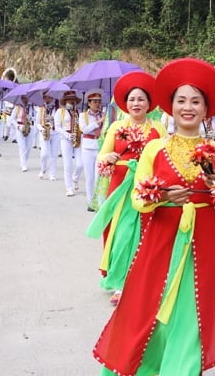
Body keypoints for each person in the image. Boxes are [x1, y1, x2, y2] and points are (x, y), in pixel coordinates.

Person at [93, 57, 215, 375]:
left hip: (203, 233)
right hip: (161, 231)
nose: (188, 107)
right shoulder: (155, 149)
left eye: (196, 101)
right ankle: (144, 364)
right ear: (171, 106)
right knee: (149, 301)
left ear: (206, 109)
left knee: (192, 304)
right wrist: (161, 196)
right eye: (181, 101)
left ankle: (182, 368)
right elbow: (137, 200)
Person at [88, 71, 165, 305]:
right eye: (132, 99)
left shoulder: (159, 128)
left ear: (149, 104)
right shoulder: (116, 127)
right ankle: (121, 282)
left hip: (146, 188)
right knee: (121, 234)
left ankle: (143, 279)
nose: (136, 103)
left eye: (141, 99)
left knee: (146, 234)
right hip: (120, 187)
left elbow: (164, 157)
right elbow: (101, 157)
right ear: (125, 103)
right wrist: (108, 156)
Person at [78, 89, 105, 211]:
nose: (97, 104)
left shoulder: (104, 114)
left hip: (100, 146)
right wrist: (98, 123)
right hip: (88, 147)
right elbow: (84, 130)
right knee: (89, 177)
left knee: (99, 175)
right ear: (88, 103)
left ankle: (98, 201)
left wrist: (104, 121)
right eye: (94, 102)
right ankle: (90, 201)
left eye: (99, 101)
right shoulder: (83, 115)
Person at [53, 90, 84, 197]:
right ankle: (69, 188)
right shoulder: (59, 112)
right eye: (70, 99)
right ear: (65, 100)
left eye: (74, 99)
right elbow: (57, 127)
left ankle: (75, 178)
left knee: (80, 164)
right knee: (68, 164)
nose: (72, 101)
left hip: (77, 138)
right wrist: (66, 135)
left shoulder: (78, 112)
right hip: (65, 139)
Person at [36, 93, 59, 181]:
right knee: (44, 154)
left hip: (55, 132)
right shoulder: (41, 109)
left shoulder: (57, 108)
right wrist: (42, 129)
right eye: (45, 97)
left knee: (54, 154)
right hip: (44, 132)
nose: (47, 99)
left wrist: (53, 118)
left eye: (49, 97)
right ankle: (43, 169)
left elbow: (60, 121)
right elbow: (37, 123)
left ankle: (52, 174)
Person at [10, 94, 34, 172]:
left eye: (27, 97)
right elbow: (12, 119)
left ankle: (25, 162)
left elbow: (36, 117)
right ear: (21, 98)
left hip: (29, 127)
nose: (25, 99)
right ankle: (23, 165)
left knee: (28, 148)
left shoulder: (31, 107)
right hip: (20, 128)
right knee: (22, 147)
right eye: (24, 98)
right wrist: (18, 126)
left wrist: (31, 117)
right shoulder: (17, 107)